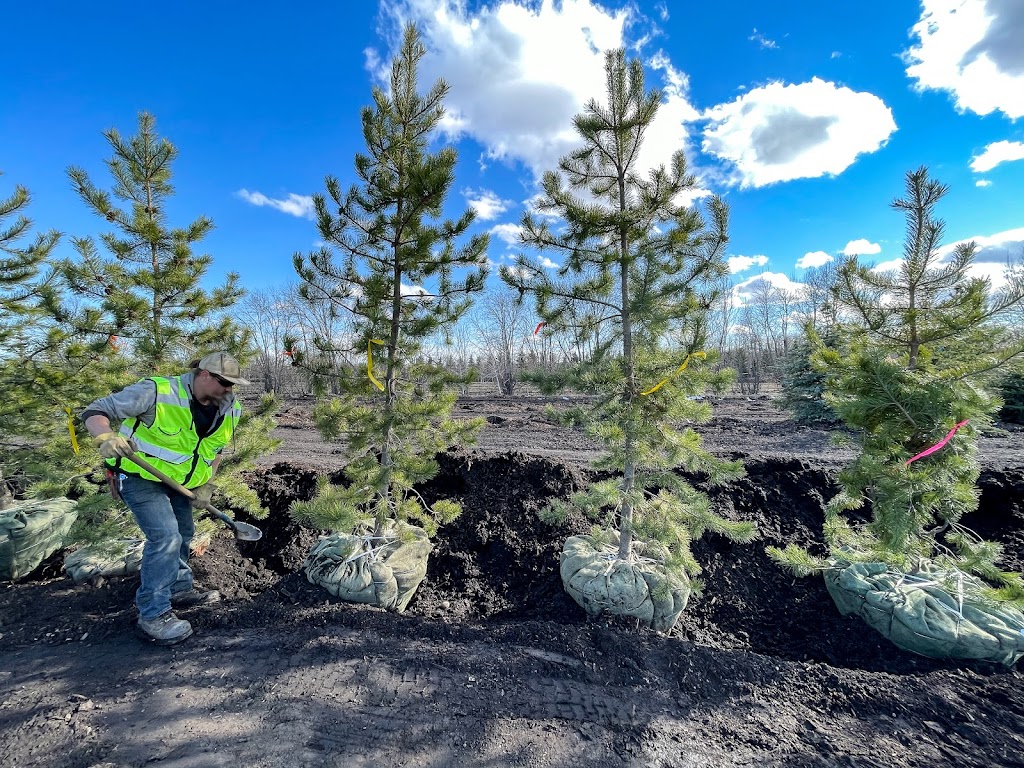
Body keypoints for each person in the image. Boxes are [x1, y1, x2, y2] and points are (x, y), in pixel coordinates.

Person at [82, 351, 250, 646]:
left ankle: (178, 588)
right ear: (204, 375)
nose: (229, 389)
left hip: (181, 483)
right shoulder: (158, 391)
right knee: (166, 537)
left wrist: (206, 486)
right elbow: (97, 411)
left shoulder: (229, 407)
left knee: (185, 532)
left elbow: (215, 450)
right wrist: (105, 437)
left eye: (233, 384)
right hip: (140, 478)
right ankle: (153, 615)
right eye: (224, 382)